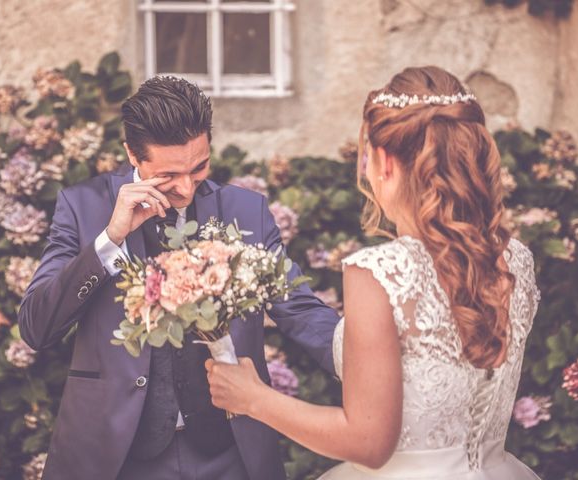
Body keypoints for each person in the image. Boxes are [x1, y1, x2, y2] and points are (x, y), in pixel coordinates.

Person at [205, 66, 542, 479]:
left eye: (367, 155)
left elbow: (368, 443)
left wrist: (253, 398)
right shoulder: (517, 262)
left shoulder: (379, 272)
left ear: (383, 161)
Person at [17, 76, 340, 480]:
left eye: (199, 167)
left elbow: (301, 310)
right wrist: (109, 240)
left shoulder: (247, 211)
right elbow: (36, 328)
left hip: (231, 453)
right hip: (116, 455)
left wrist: (367, 364)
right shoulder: (82, 207)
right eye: (169, 175)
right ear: (132, 154)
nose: (186, 188)